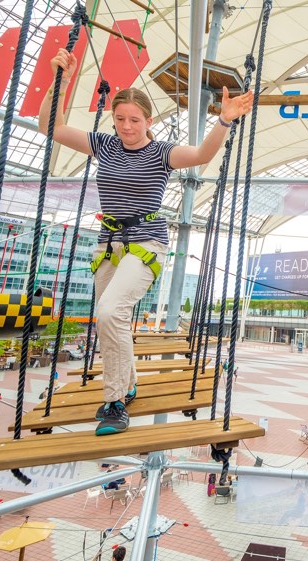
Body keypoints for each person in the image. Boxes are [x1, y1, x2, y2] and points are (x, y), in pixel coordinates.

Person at [40, 48, 253, 436]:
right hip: (109, 243)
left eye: (134, 120)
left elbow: (201, 154)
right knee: (110, 320)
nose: (126, 126)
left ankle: (115, 401)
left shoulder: (161, 152)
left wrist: (223, 120)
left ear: (148, 121)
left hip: (147, 241)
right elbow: (51, 128)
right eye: (120, 119)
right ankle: (129, 383)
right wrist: (61, 82)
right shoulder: (104, 145)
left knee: (110, 313)